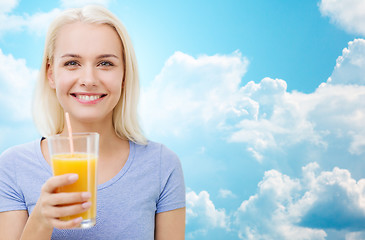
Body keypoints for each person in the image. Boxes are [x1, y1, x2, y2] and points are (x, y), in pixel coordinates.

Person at [0, 5, 185, 240]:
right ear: (51, 74)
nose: (88, 80)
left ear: (124, 75)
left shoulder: (162, 165)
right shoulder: (13, 166)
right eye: (72, 63)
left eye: (105, 63)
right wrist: (41, 220)